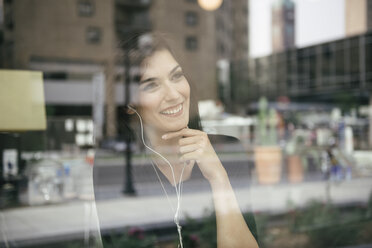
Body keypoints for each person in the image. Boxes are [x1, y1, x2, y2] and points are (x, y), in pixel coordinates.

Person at [95, 33, 259, 248]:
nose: (174, 94)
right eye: (151, 85)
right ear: (131, 104)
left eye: (176, 76)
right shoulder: (123, 168)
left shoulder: (231, 151)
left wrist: (219, 177)